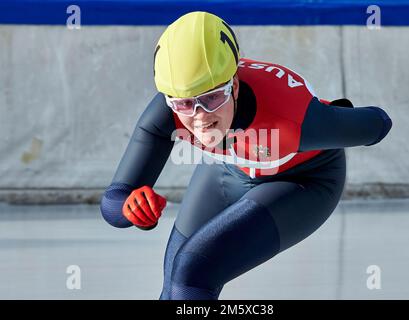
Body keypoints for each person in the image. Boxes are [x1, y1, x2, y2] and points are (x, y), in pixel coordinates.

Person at [100, 11, 392, 300]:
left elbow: (379, 124)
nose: (201, 117)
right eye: (185, 104)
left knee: (193, 270)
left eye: (212, 97)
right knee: (176, 288)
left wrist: (329, 119)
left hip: (304, 181)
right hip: (229, 171)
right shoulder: (167, 111)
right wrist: (129, 208)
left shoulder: (292, 121)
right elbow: (113, 201)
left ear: (234, 85)